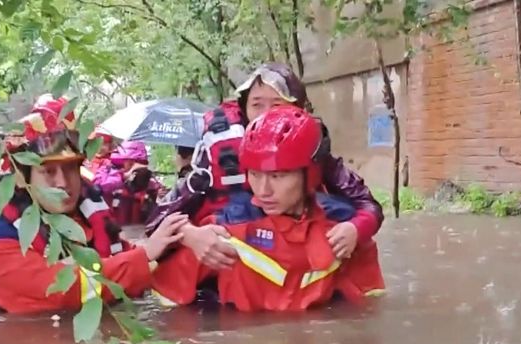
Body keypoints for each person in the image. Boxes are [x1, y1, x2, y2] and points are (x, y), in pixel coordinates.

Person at [0, 94, 188, 314]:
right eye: (49, 171)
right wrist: (146, 254)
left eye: (70, 169)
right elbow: (64, 290)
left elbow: (131, 259)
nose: (63, 183)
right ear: (24, 178)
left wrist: (184, 238)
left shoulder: (85, 215)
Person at [146, 62, 383, 267]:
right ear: (244, 110)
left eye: (278, 105)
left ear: (298, 109)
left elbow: (368, 205)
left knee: (343, 212)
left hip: (292, 260)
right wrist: (190, 235)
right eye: (257, 105)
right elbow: (156, 221)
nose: (265, 116)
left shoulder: (312, 151)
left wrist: (355, 228)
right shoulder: (218, 154)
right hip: (232, 265)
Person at [151, 105, 385, 312]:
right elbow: (166, 301)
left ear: (311, 174)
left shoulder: (346, 232)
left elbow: (367, 310)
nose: (263, 190)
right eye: (254, 174)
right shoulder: (221, 234)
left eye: (277, 176)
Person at [90, 140, 164, 226]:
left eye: (134, 162)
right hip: (113, 222)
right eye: (127, 162)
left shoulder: (146, 178)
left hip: (136, 226)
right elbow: (98, 186)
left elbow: (153, 190)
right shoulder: (109, 170)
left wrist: (158, 191)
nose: (129, 165)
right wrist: (123, 177)